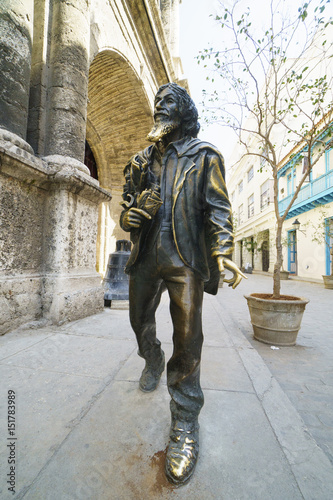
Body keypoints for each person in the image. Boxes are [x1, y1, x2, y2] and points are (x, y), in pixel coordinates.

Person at [120, 82, 245, 486]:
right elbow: (127, 205)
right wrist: (131, 218)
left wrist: (223, 250)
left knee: (189, 338)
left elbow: (219, 208)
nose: (160, 108)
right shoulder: (140, 161)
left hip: (184, 259)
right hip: (145, 259)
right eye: (157, 104)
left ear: (184, 111)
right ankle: (152, 357)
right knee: (138, 321)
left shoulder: (204, 156)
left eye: (168, 102)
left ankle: (185, 420)